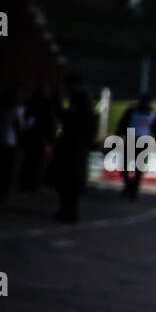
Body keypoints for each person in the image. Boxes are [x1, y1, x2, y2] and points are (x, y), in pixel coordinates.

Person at [54, 73, 97, 223]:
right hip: (78, 144)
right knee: (71, 177)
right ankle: (68, 208)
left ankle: (69, 209)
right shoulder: (83, 100)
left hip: (74, 145)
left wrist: (58, 107)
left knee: (69, 177)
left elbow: (72, 119)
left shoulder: (79, 99)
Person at [114, 93, 156, 200]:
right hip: (131, 140)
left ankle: (134, 189)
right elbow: (122, 124)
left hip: (144, 143)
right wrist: (117, 137)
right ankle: (128, 185)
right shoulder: (131, 112)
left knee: (139, 169)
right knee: (124, 166)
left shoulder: (153, 114)